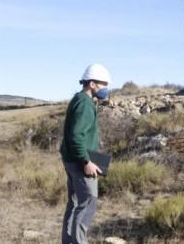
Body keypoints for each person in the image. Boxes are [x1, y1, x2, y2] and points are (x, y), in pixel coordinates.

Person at [60, 63, 112, 244]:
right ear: (92, 84)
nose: (106, 89)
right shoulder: (85, 104)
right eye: (103, 84)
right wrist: (86, 162)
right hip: (80, 163)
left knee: (74, 203)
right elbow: (76, 137)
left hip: (71, 160)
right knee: (88, 201)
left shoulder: (79, 99)